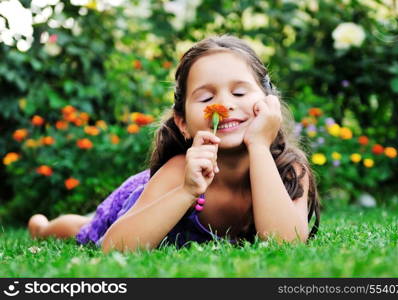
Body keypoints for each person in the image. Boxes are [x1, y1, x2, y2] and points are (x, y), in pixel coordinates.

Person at [28, 35, 320, 253]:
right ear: (182, 122)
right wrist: (187, 190)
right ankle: (41, 227)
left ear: (269, 102)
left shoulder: (289, 170)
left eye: (240, 93)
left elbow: (285, 243)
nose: (224, 105)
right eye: (206, 98)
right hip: (145, 199)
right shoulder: (179, 170)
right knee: (82, 230)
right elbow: (113, 249)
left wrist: (258, 145)